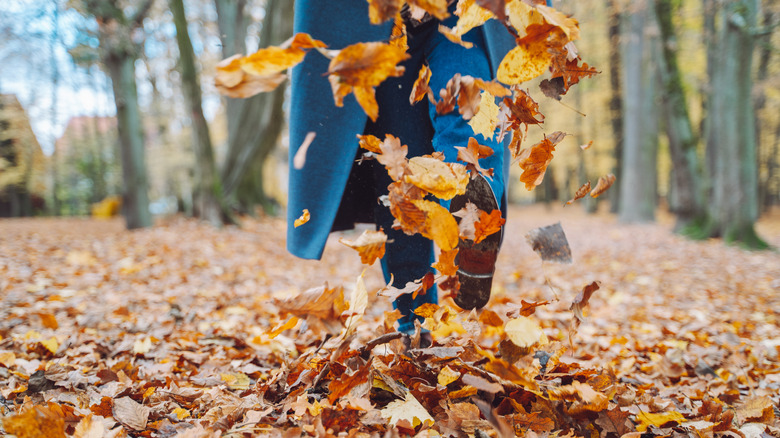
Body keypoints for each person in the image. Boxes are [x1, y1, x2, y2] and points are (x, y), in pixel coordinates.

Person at [287, 2, 514, 342]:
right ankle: (417, 321)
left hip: (432, 12)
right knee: (408, 170)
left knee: (421, 152)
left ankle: (471, 230)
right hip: (385, 20)